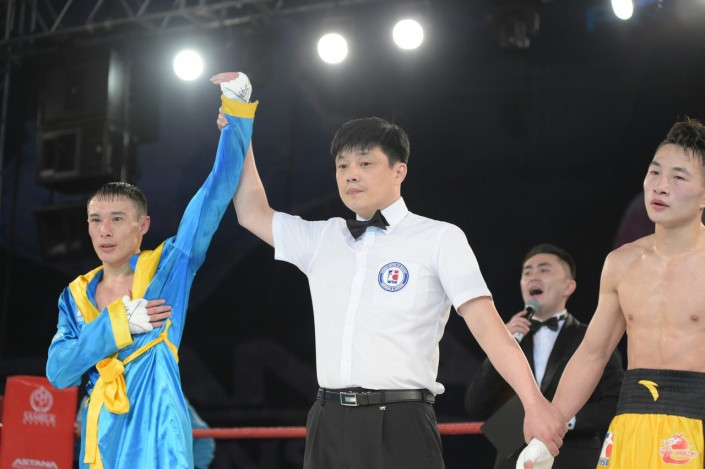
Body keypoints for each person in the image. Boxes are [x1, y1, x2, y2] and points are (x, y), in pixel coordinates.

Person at [211, 71, 567, 469]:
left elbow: (488, 329)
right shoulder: (322, 237)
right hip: (327, 420)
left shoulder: (439, 237)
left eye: (365, 162)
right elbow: (252, 212)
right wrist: (240, 124)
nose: (350, 173)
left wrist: (534, 403)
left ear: (399, 171)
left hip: (401, 422)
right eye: (342, 165)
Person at [46, 72, 257, 468]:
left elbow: (214, 193)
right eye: (95, 220)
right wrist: (118, 323)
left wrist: (236, 112)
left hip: (158, 442)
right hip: (100, 445)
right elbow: (59, 372)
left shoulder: (168, 267)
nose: (104, 231)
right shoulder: (74, 296)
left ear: (142, 226)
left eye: (117, 219)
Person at [519, 116, 705, 468]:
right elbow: (593, 353)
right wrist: (549, 429)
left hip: (697, 424)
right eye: (654, 172)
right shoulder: (621, 263)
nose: (660, 186)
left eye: (678, 177)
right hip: (630, 425)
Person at [465, 243, 624, 469]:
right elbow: (476, 405)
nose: (533, 276)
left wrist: (558, 420)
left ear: (568, 286)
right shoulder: (509, 339)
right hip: (513, 459)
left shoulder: (591, 338)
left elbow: (613, 404)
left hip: (572, 458)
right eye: (527, 272)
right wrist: (498, 349)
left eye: (544, 270)